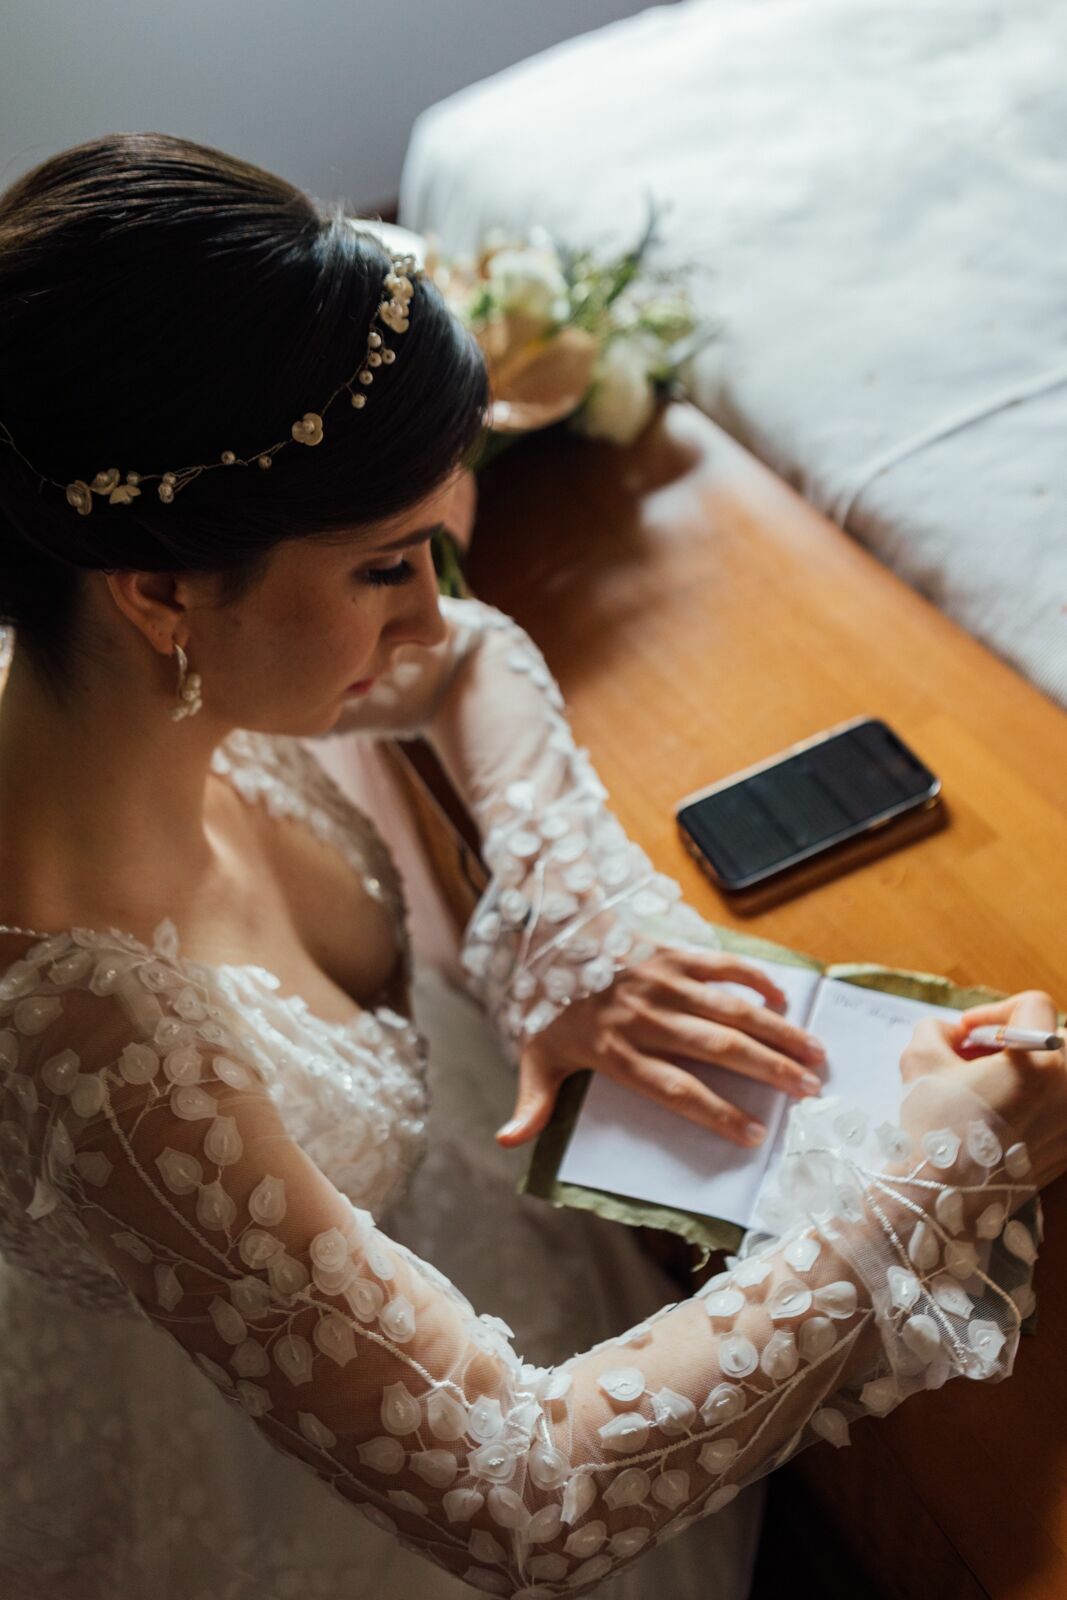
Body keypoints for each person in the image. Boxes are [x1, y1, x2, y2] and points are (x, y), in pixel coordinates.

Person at [0, 133, 1060, 1600]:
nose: (431, 618)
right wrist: (943, 1162)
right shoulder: (89, 1043)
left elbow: (467, 663)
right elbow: (526, 1496)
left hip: (415, 1215)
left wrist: (572, 928)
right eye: (385, 568)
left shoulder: (120, 681)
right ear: (163, 592)